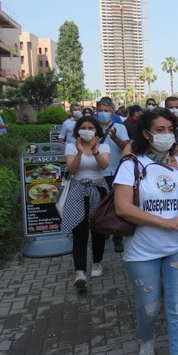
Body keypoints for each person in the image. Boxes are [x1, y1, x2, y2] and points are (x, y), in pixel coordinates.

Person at [113, 109, 178, 355]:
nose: (166, 134)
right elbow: (123, 208)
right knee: (149, 307)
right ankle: (146, 338)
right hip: (142, 252)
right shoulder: (132, 165)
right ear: (146, 134)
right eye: (159, 129)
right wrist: (164, 222)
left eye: (170, 129)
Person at [61, 116, 110, 288]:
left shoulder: (103, 147)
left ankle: (97, 263)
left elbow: (104, 166)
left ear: (97, 131)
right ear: (78, 130)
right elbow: (72, 169)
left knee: (97, 229)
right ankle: (80, 271)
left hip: (98, 189)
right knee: (79, 231)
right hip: (78, 190)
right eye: (83, 128)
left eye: (91, 128)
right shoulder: (71, 147)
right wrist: (80, 152)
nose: (87, 131)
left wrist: (95, 151)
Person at [97, 98, 130, 253]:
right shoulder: (92, 127)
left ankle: (118, 238)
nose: (103, 113)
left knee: (117, 204)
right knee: (101, 203)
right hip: (99, 172)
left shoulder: (120, 127)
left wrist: (115, 137)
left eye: (106, 111)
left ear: (112, 112)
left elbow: (127, 147)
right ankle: (103, 231)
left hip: (117, 170)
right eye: (100, 110)